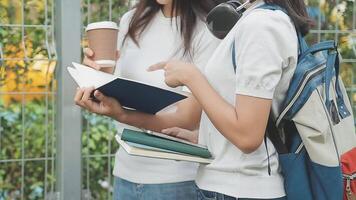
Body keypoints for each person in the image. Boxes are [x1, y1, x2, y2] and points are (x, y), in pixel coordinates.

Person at [76, 0, 311, 199]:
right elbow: (232, 109)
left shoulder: (250, 25)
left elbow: (245, 133)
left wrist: (191, 78)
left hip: (213, 182)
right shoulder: (249, 18)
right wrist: (99, 78)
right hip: (195, 178)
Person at [77, 0, 221, 199]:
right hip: (125, 173)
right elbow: (118, 84)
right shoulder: (131, 21)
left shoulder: (206, 29)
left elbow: (187, 119)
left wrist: (123, 115)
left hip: (177, 179)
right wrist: (98, 77)